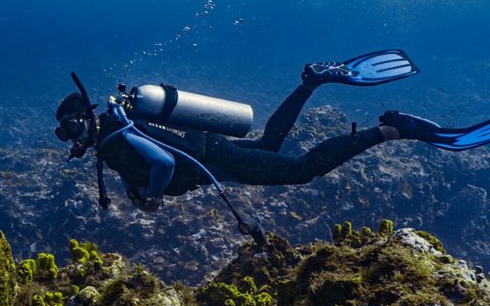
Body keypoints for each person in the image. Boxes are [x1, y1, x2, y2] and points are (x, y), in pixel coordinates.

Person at [54, 50, 490, 226]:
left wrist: (149, 193)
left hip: (216, 160)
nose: (68, 139)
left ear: (81, 120)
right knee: (269, 146)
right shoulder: (117, 126)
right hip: (211, 148)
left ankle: (393, 130)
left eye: (67, 129)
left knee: (302, 171)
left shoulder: (114, 136)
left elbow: (164, 164)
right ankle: (311, 83)